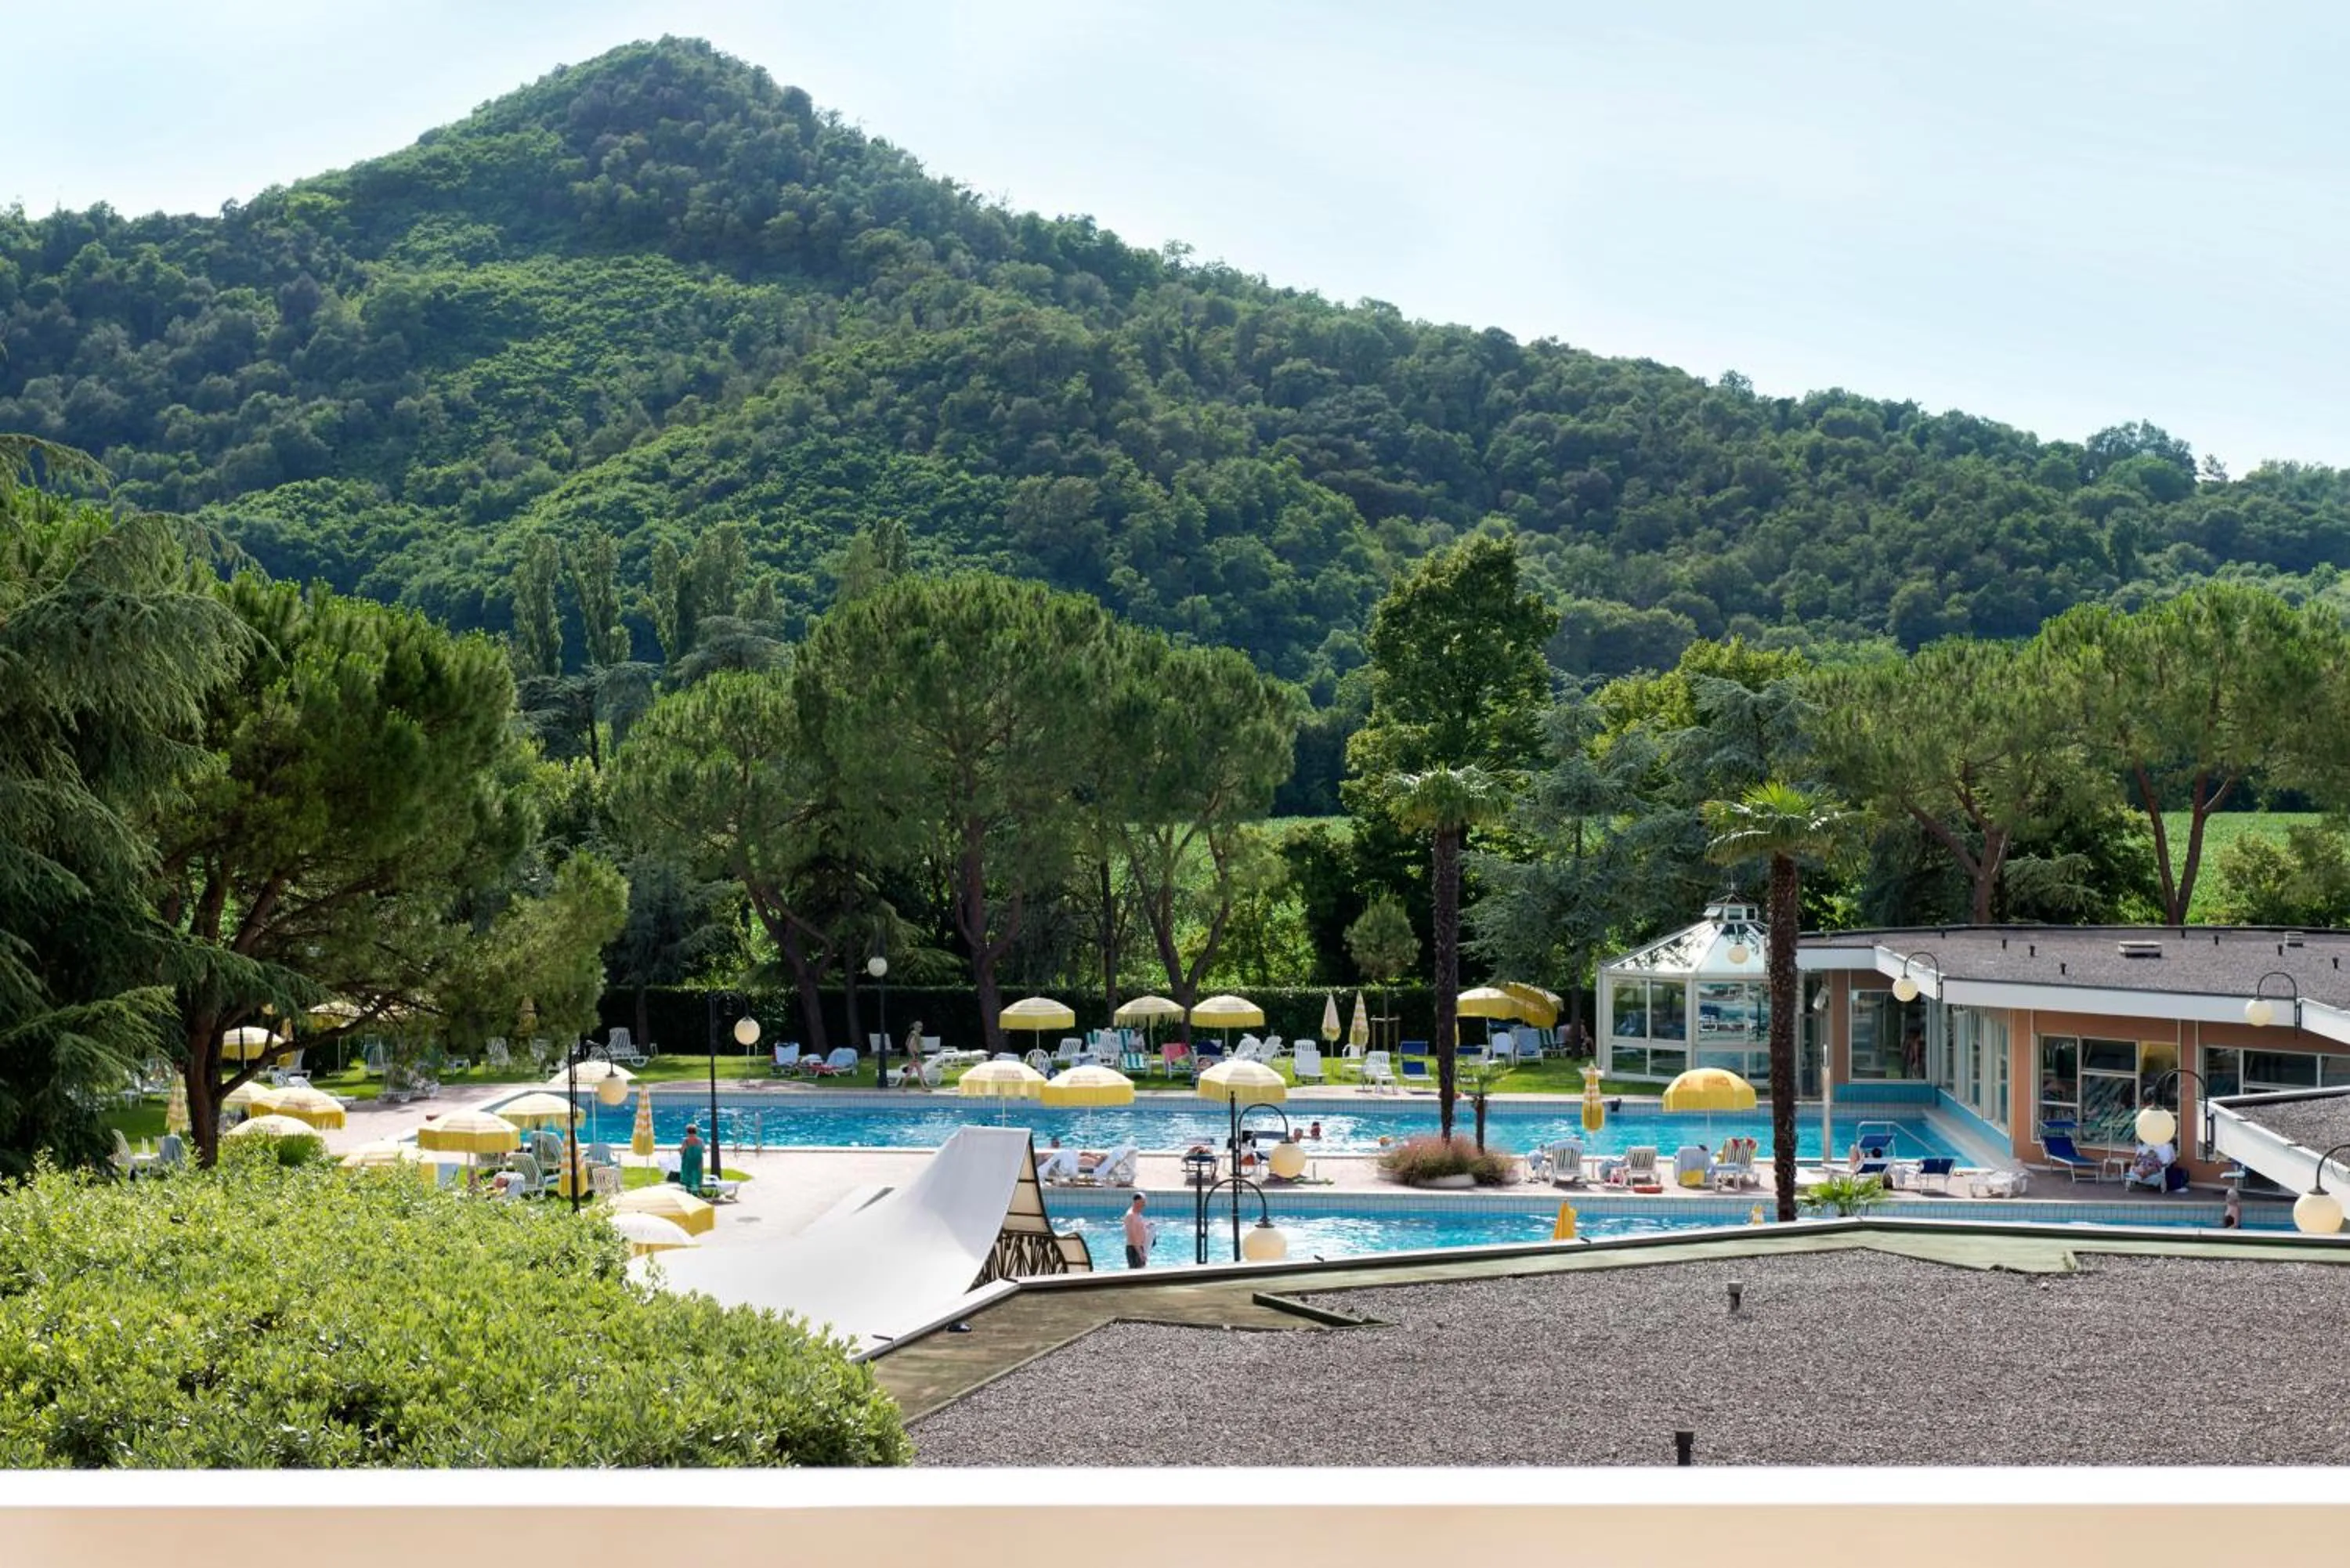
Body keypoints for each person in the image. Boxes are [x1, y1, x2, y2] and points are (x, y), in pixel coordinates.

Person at [1123, 1194, 1150, 1270]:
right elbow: (1132, 1235)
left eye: (1145, 1202)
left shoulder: (1137, 1213)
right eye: (1142, 1202)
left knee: (1142, 1270)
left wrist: (1147, 1226)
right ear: (1136, 1202)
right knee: (1137, 1272)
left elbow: (1138, 1227)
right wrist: (1140, 1253)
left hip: (1139, 1247)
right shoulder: (1131, 1215)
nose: (1144, 1205)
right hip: (1134, 1248)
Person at [679, 1122, 705, 1192]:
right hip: (698, 1163)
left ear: (687, 1132)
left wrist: (679, 1150)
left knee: (689, 1179)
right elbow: (704, 1151)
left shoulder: (686, 1141)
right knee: (697, 1179)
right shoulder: (700, 1141)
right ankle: (697, 1192)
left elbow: (682, 1152)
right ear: (696, 1132)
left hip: (688, 1163)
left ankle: (690, 1193)